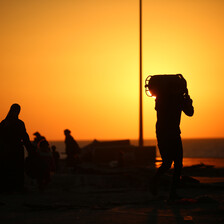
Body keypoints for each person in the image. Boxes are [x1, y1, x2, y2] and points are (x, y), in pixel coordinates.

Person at [149, 76, 194, 200]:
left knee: (172, 163)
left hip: (167, 132)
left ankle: (166, 189)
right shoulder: (171, 98)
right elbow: (190, 112)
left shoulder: (162, 98)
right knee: (173, 163)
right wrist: (187, 99)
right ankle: (166, 189)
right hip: (169, 133)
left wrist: (186, 99)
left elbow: (189, 112)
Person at [0, 103, 34, 192]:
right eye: (15, 110)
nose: (16, 112)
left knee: (18, 169)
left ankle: (18, 187)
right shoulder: (4, 123)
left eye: (17, 111)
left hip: (17, 149)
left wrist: (30, 148)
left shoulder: (20, 123)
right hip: (7, 149)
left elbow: (25, 137)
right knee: (7, 168)